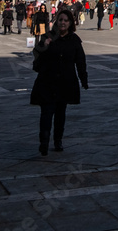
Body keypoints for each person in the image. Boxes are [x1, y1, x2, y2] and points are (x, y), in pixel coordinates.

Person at [30, 8, 88, 155]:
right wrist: (45, 46)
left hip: (65, 82)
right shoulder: (48, 36)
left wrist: (83, 79)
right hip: (47, 81)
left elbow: (80, 61)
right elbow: (36, 55)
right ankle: (44, 141)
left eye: (65, 20)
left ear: (70, 23)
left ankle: (58, 141)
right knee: (46, 113)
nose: (62, 23)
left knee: (60, 114)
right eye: (60, 20)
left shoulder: (75, 40)